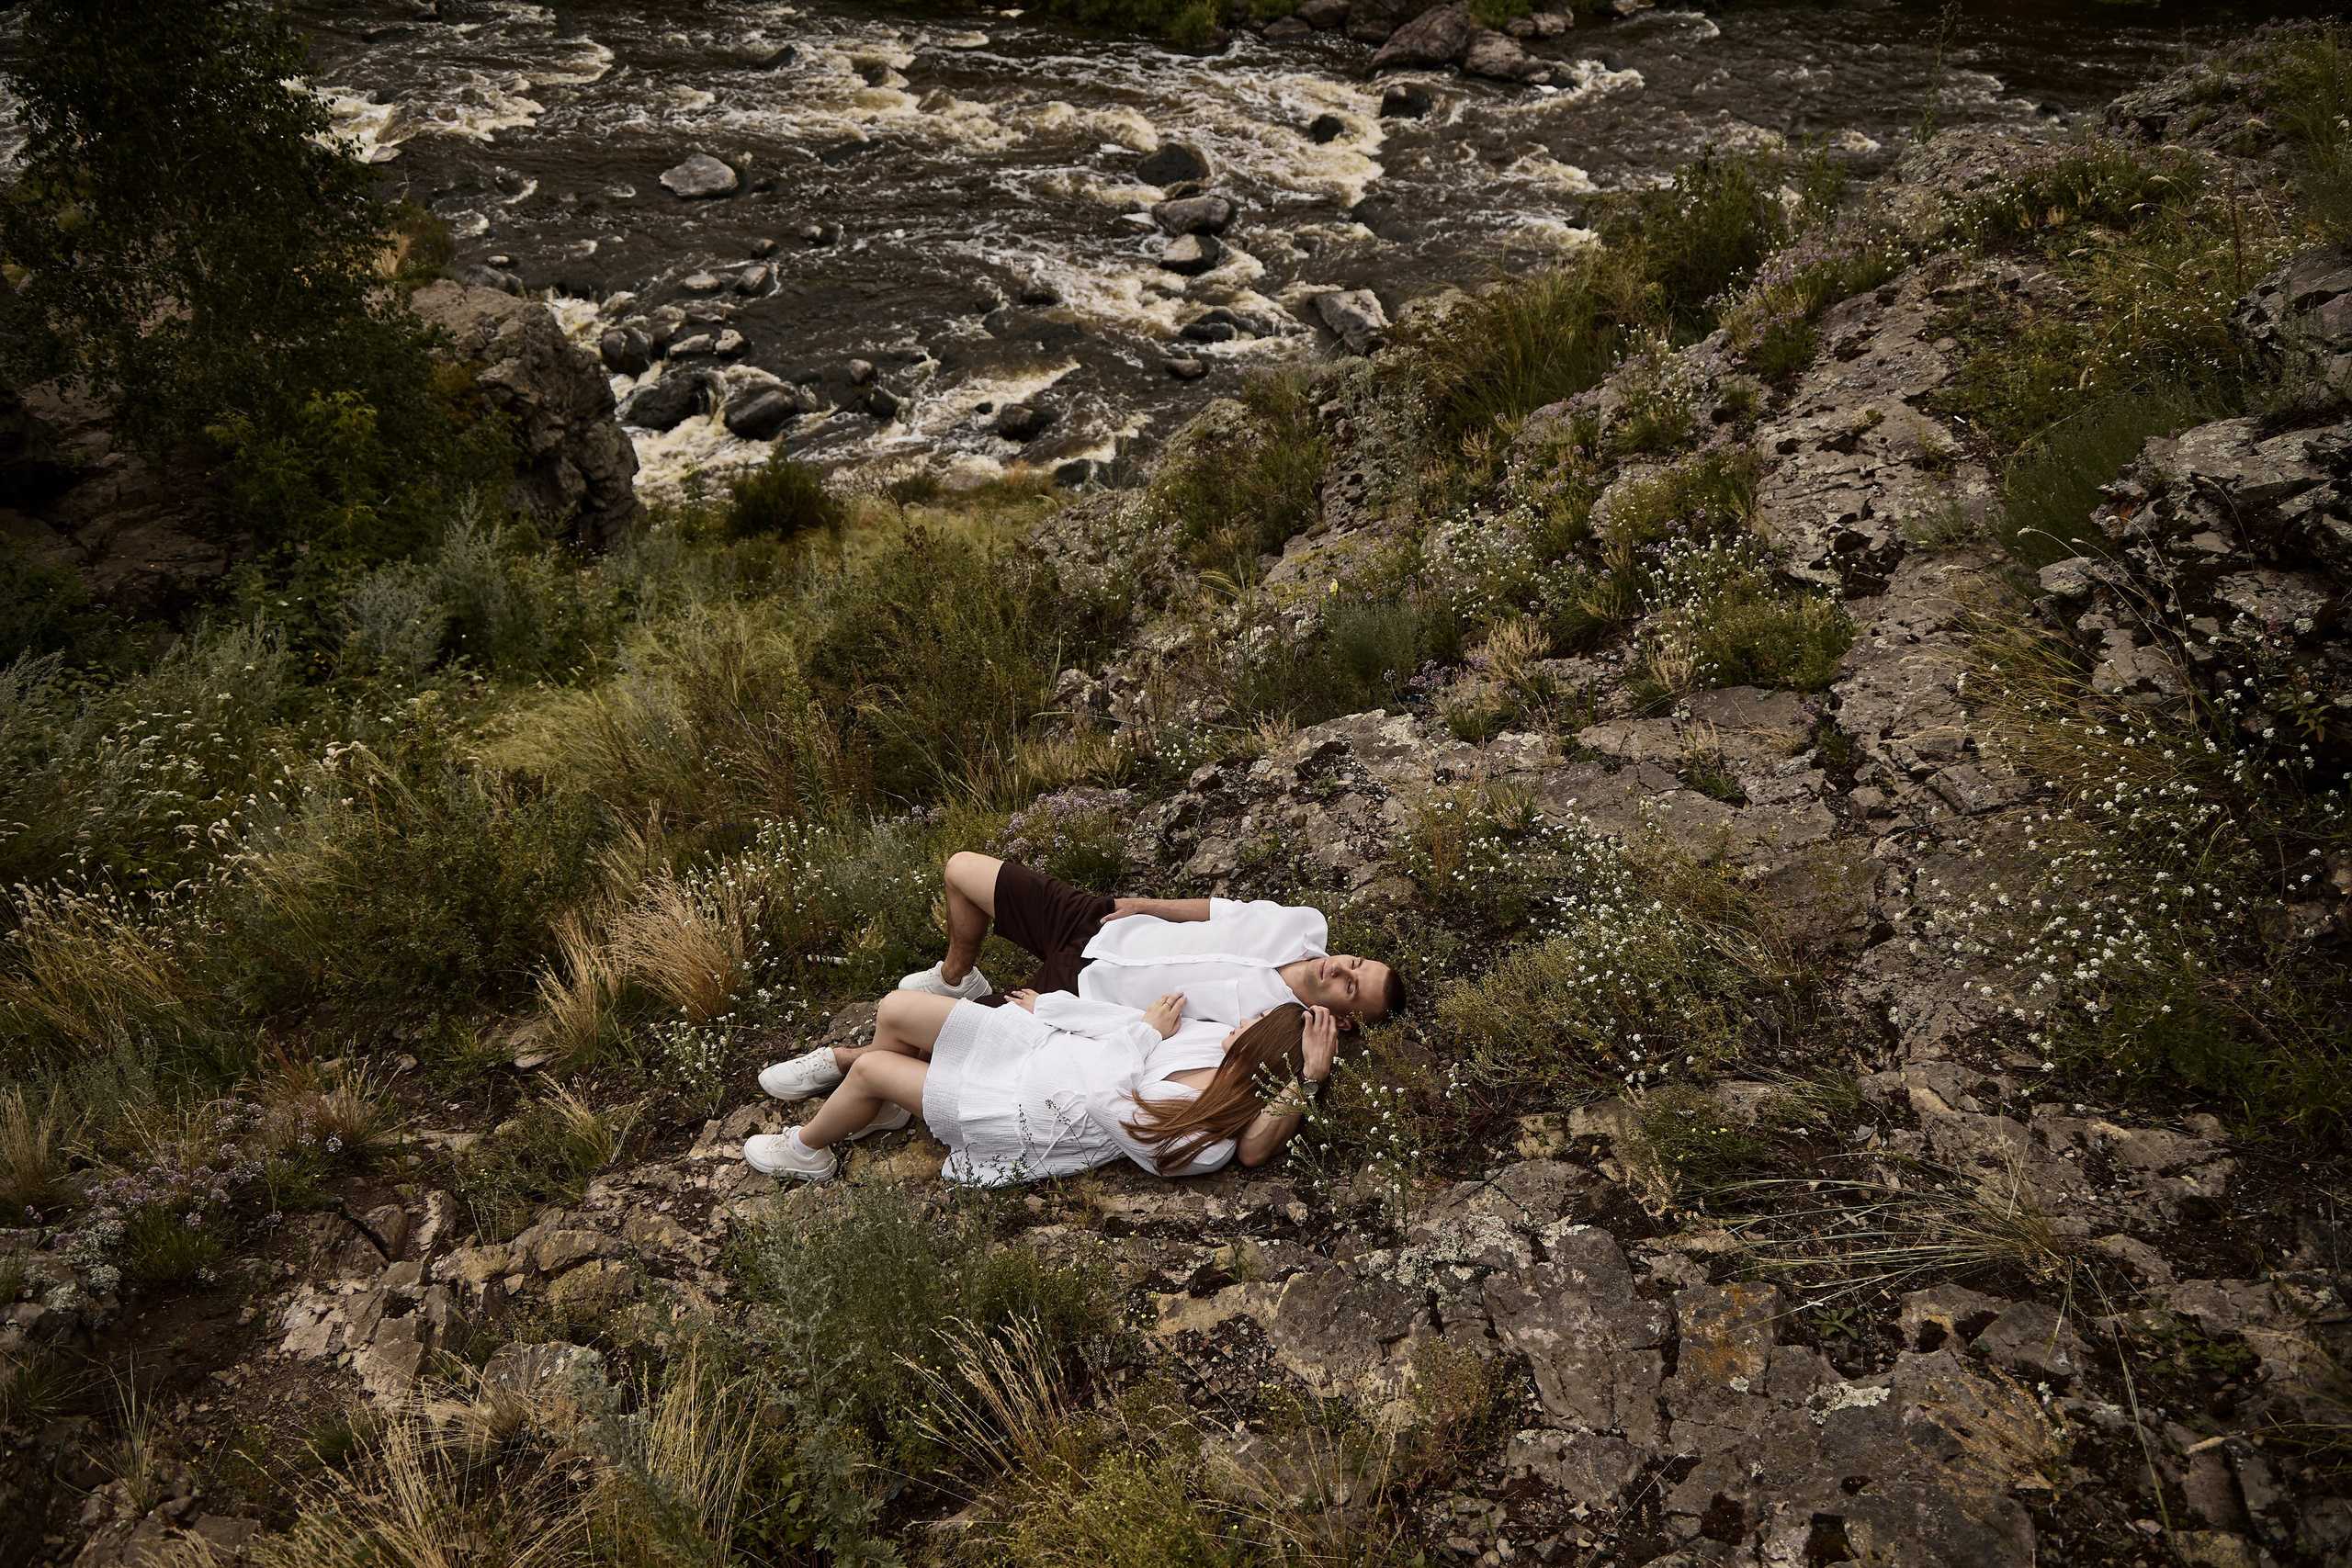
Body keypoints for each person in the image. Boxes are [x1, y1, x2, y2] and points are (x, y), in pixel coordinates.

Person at [755, 851, 1404, 1101]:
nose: (1343, 966)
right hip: (1099, 923)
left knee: (945, 1044)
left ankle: (843, 1061)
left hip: (1079, 992)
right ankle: (957, 976)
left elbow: (1172, 1055)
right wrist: (1146, 904)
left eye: (1353, 984)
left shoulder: (1272, 1026)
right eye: (1357, 961)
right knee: (961, 871)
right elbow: (1218, 910)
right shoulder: (1303, 925)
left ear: (1344, 1017)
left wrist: (1058, 1017)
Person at [742, 988, 1340, 1185]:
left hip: (1027, 1109)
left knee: (871, 1068)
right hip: (1039, 1051)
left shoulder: (1205, 1137)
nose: (1242, 1019)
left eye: (1255, 1024)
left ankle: (810, 1151)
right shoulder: (1210, 1043)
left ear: (1262, 1051)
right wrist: (1056, 1007)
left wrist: (1309, 1080)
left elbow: (1109, 1095)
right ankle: (880, 1111)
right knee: (895, 1008)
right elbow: (1122, 1025)